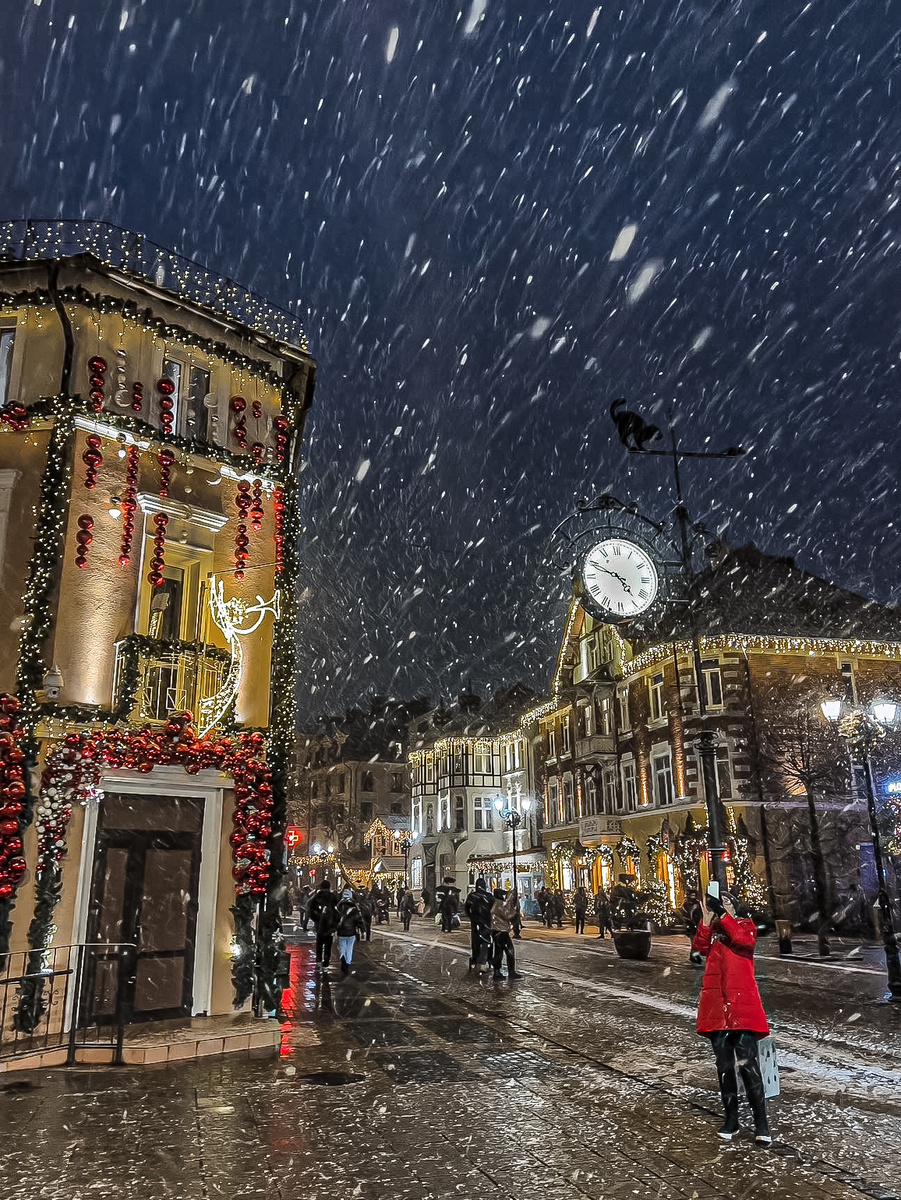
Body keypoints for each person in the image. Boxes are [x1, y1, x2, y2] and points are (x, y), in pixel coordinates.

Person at [693, 890, 772, 1145]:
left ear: (735, 907)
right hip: (717, 1011)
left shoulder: (744, 926)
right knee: (725, 1068)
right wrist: (706, 921)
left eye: (726, 901)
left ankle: (761, 1123)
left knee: (749, 1067)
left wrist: (724, 915)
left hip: (742, 1009)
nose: (721, 905)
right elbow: (700, 948)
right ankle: (731, 1119)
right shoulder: (716, 931)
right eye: (720, 901)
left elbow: (742, 941)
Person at [490, 888, 523, 980]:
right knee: (509, 951)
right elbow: (508, 916)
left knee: (498, 952)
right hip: (501, 931)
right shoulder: (499, 904)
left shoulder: (496, 904)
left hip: (497, 931)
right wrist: (516, 912)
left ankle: (497, 972)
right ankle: (511, 972)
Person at [308, 880, 339, 972]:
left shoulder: (317, 897)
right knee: (328, 945)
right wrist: (335, 923)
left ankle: (318, 960)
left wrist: (317, 920)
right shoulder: (333, 897)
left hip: (320, 925)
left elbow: (311, 910)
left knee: (319, 943)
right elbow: (336, 911)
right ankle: (326, 962)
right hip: (330, 925)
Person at [464, 877, 493, 971]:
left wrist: (471, 916)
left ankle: (476, 959)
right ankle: (483, 961)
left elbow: (466, 908)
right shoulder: (489, 896)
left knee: (476, 942)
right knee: (485, 941)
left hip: (476, 922)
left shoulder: (472, 896)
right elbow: (494, 908)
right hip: (486, 922)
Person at [335, 887, 365, 974]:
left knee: (342, 947)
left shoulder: (338, 907)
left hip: (341, 932)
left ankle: (343, 960)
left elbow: (334, 919)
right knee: (349, 948)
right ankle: (347, 963)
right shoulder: (354, 907)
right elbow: (359, 920)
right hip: (351, 932)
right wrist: (363, 930)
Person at [680, 889, 704, 965]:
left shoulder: (698, 904)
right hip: (691, 926)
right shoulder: (686, 905)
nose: (693, 897)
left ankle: (694, 956)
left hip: (697, 925)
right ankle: (694, 956)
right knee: (694, 942)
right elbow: (685, 915)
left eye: (694, 895)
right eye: (692, 895)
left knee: (697, 942)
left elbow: (700, 914)